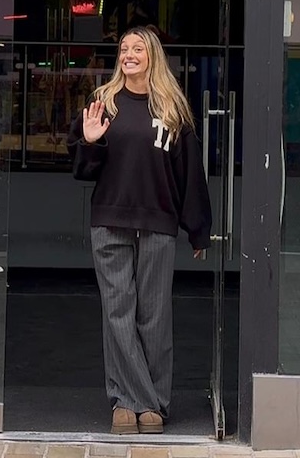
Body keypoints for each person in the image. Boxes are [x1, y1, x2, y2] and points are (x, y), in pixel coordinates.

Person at [66, 26, 212, 435]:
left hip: (158, 223)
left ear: (153, 57)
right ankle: (130, 404)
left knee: (154, 317)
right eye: (124, 48)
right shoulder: (103, 103)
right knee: (118, 314)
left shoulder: (173, 109)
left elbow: (189, 174)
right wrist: (91, 141)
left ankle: (150, 400)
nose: (129, 53)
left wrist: (198, 229)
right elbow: (81, 168)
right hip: (109, 220)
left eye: (138, 48)